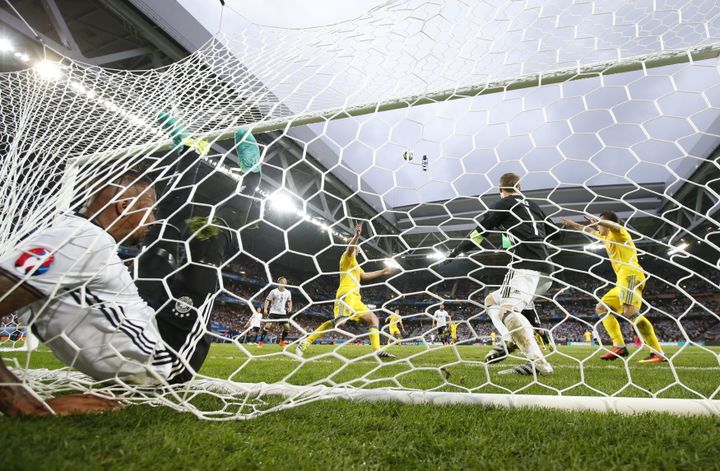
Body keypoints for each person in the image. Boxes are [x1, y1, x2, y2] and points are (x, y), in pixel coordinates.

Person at [0, 171, 230, 415]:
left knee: (164, 242)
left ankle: (191, 157)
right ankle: (246, 177)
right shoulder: (85, 240)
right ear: (124, 206)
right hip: (168, 361)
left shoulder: (67, 232)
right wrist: (24, 406)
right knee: (212, 237)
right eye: (149, 211)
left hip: (138, 331)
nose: (151, 220)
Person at [445, 172, 558, 375]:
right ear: (519, 187)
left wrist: (457, 250)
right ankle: (508, 339)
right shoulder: (534, 206)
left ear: (500, 189)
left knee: (507, 312)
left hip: (525, 266)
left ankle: (540, 365)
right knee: (491, 301)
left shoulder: (503, 204)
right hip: (546, 270)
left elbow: (480, 232)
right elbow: (557, 234)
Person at [562, 212, 665, 363]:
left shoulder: (619, 233)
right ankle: (619, 346)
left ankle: (658, 353)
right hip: (622, 281)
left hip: (630, 276)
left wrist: (601, 221)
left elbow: (615, 225)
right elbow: (590, 231)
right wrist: (573, 225)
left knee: (631, 314)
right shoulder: (606, 238)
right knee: (602, 308)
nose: (597, 226)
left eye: (599, 224)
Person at [297, 223, 396, 358]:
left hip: (356, 298)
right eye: (356, 246)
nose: (357, 248)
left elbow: (365, 275)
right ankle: (306, 342)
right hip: (346, 295)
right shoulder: (347, 257)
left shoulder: (356, 265)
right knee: (340, 322)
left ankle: (377, 351)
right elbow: (350, 249)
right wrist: (356, 236)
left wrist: (383, 271)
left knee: (373, 319)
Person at [264, 277, 292, 348]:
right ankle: (260, 342)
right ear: (278, 283)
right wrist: (265, 308)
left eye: (285, 282)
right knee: (267, 326)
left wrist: (289, 307)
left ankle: (282, 341)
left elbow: (289, 301)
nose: (284, 284)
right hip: (273, 311)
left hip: (282, 313)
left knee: (287, 327)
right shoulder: (273, 291)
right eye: (282, 282)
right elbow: (267, 300)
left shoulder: (288, 292)